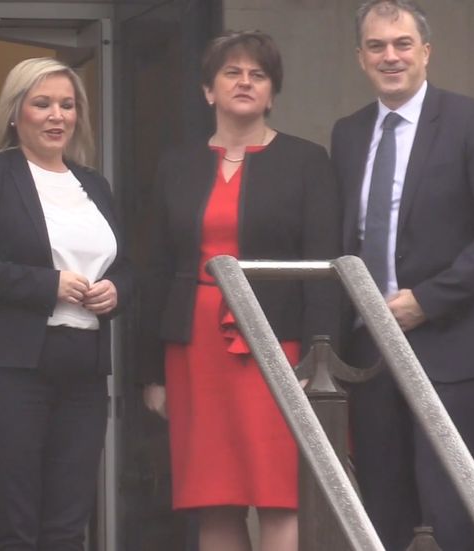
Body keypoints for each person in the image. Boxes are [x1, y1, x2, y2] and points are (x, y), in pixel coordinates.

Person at [330, 2, 474, 549]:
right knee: (382, 504)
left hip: (454, 341)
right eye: (376, 46)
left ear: (425, 52)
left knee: (452, 505)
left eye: (402, 44)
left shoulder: (471, 119)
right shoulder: (347, 134)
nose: (390, 56)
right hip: (371, 348)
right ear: (361, 57)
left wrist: (428, 301)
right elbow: (342, 244)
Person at [140, 31, 341, 551]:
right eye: (232, 73)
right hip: (195, 350)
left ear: (272, 93)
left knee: (279, 494)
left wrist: (320, 363)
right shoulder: (176, 166)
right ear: (209, 90)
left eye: (258, 75)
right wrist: (150, 373)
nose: (245, 82)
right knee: (215, 499)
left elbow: (326, 270)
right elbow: (156, 270)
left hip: (281, 349)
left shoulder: (307, 161)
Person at [0, 57, 132, 550]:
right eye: (42, 103)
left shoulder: (94, 184)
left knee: (69, 526)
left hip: (84, 372)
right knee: (15, 525)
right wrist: (46, 285)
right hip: (11, 370)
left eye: (67, 105)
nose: (57, 116)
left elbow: (125, 267)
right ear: (15, 113)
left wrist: (116, 292)